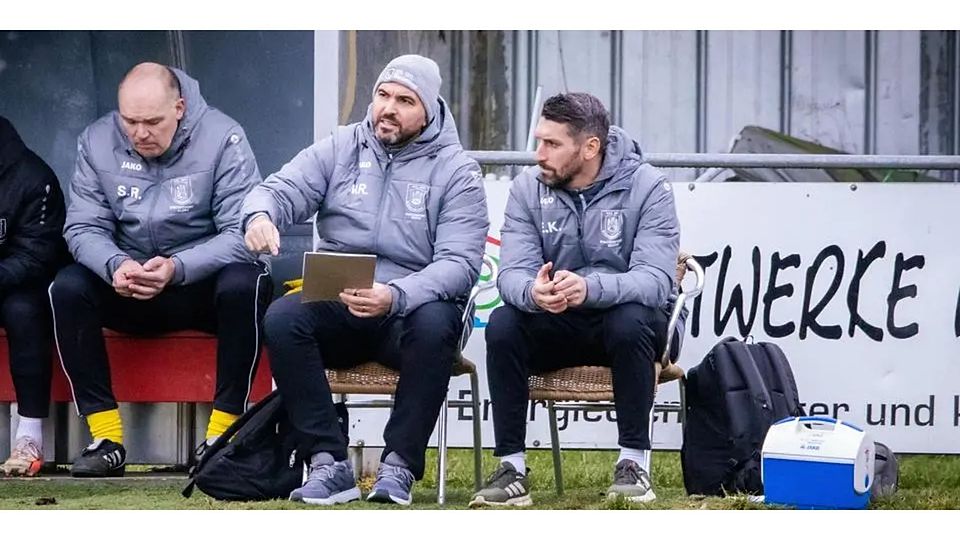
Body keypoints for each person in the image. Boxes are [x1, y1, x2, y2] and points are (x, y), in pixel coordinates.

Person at [242, 54, 489, 506]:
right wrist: (260, 215)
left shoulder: (457, 171)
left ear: (429, 111)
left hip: (408, 313)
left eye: (404, 100)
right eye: (382, 95)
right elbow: (280, 189)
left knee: (437, 323)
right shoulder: (341, 147)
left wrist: (394, 296)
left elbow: (459, 265)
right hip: (341, 302)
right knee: (282, 319)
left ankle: (398, 467)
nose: (388, 108)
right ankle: (328, 463)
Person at [49, 63, 271, 477]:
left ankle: (220, 437)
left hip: (196, 285)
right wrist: (115, 264)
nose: (139, 133)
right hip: (127, 283)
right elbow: (81, 227)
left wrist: (177, 267)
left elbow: (243, 235)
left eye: (152, 122)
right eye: (129, 121)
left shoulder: (224, 137)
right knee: (67, 286)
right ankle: (106, 437)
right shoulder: (97, 140)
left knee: (249, 281)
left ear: (181, 108)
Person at [470, 92, 681, 507]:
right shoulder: (527, 189)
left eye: (552, 144)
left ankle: (633, 463)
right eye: (538, 141)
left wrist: (590, 289)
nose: (538, 155)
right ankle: (511, 468)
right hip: (558, 320)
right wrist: (534, 292)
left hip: (626, 326)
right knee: (504, 324)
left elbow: (657, 282)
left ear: (589, 147)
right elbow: (510, 274)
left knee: (632, 319)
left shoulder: (648, 186)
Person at [0, 116, 69, 476]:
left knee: (24, 311)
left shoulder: (30, 176)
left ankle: (29, 435)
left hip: (18, 285)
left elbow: (36, 254)